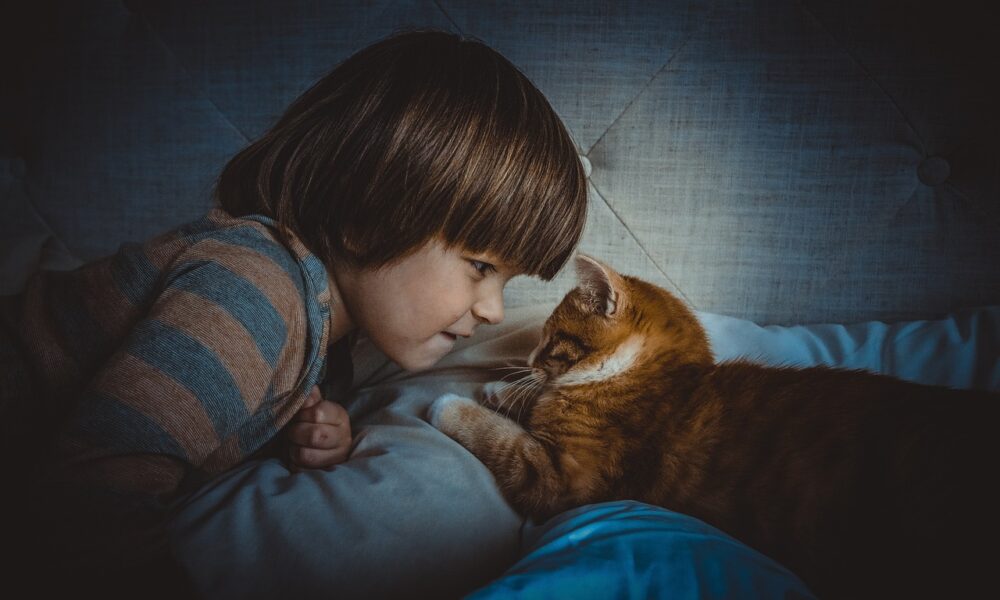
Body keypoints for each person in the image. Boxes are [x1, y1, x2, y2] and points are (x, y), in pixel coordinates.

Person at [1, 29, 587, 593]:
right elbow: (90, 495)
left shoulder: (323, 333)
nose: (494, 310)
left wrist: (301, 434)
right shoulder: (250, 292)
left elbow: (213, 414)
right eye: (481, 267)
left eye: (508, 281)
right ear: (367, 218)